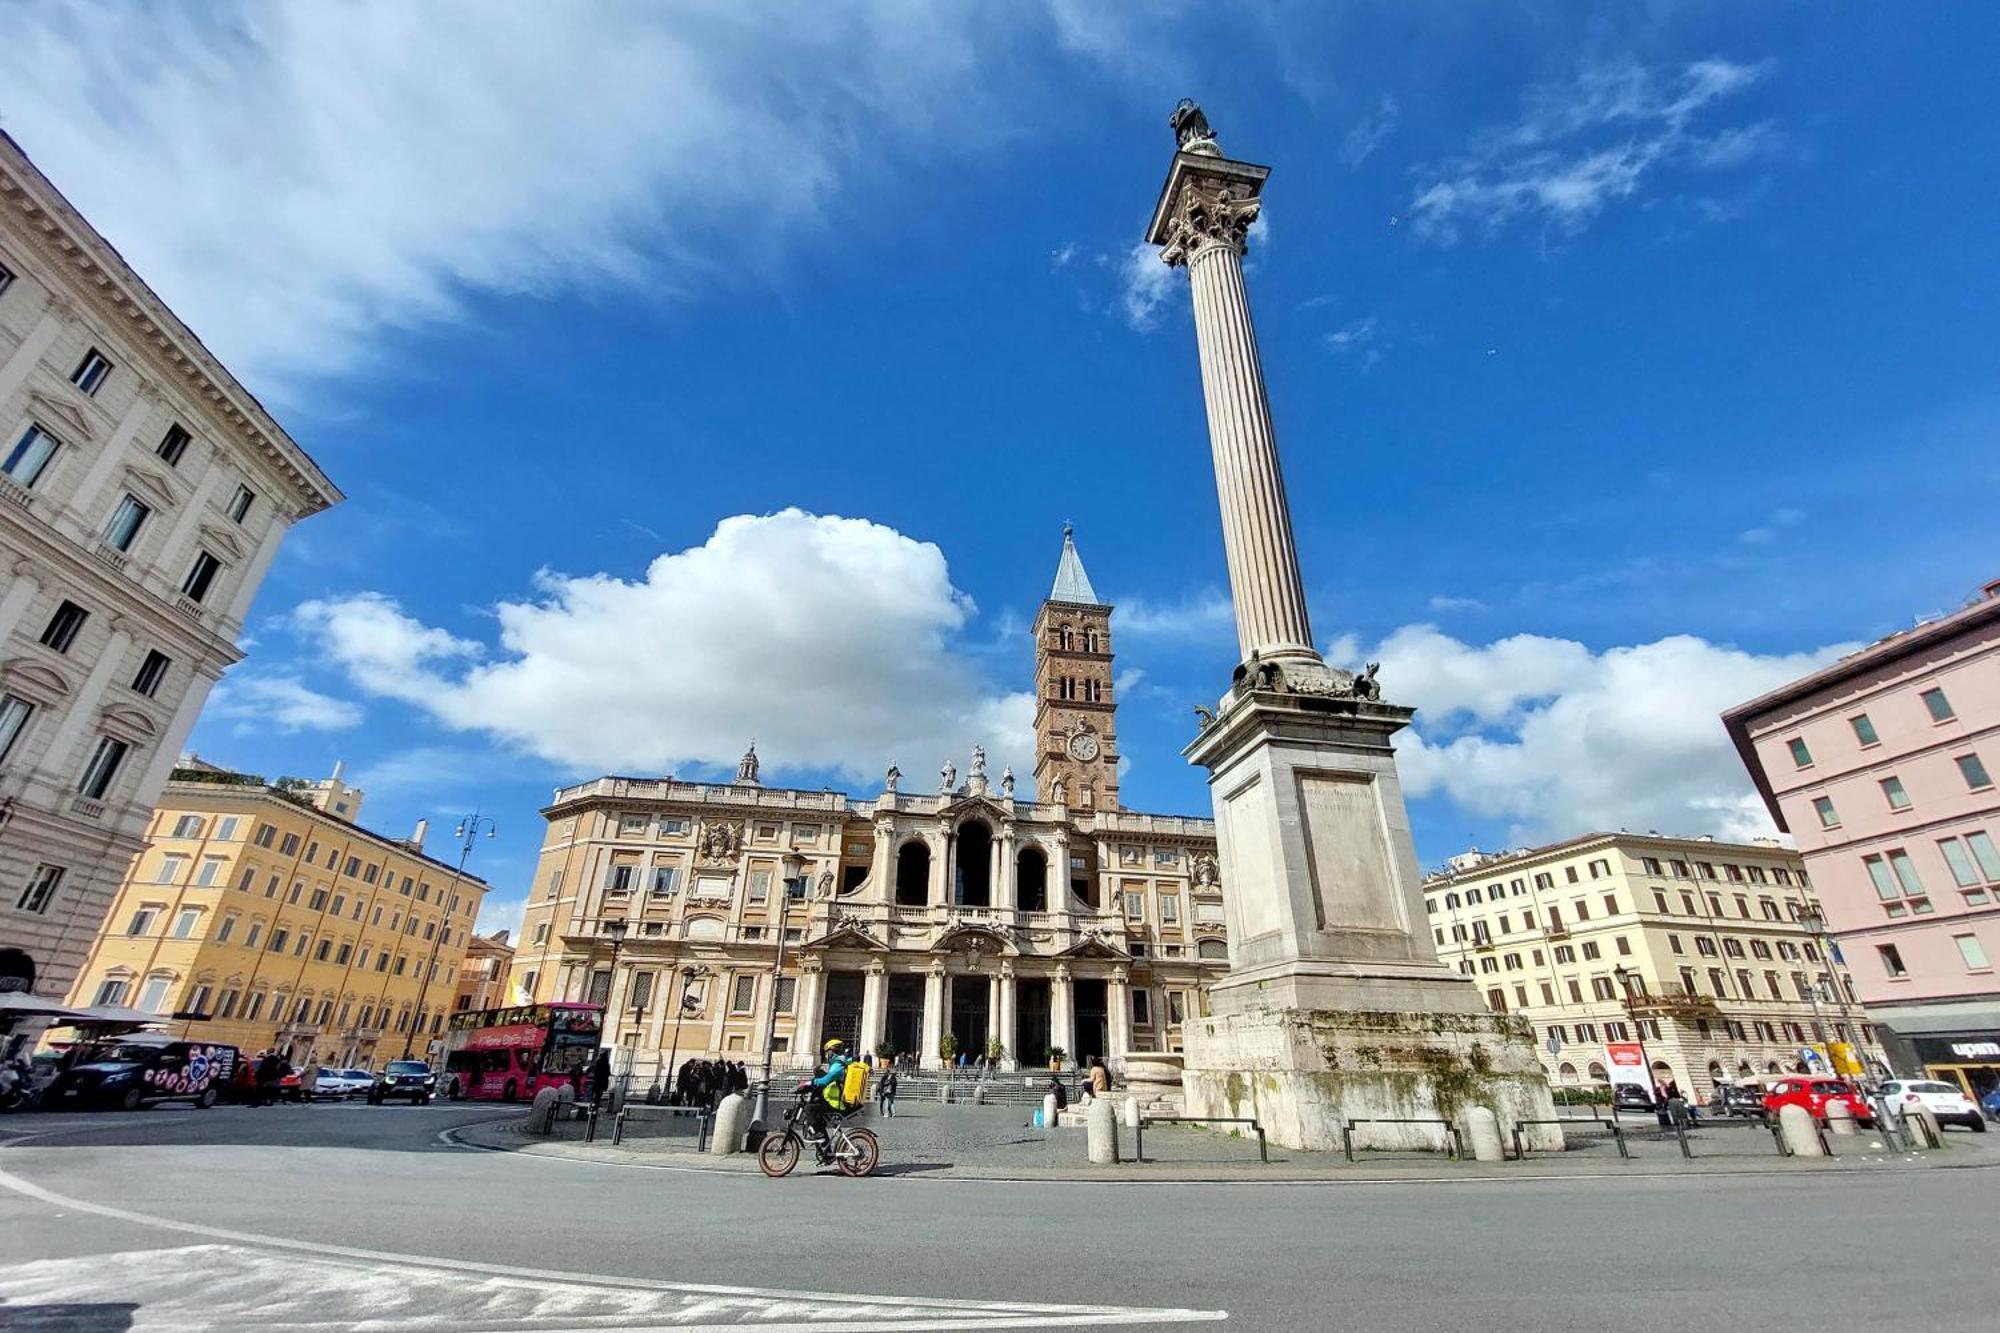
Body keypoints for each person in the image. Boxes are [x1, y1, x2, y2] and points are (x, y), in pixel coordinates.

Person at [802, 1038, 853, 1161]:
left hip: (836, 1103)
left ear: (832, 1052)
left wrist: (810, 1082)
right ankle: (826, 1152)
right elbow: (829, 1079)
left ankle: (818, 1136)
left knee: (809, 1108)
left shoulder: (838, 1065)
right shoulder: (839, 1064)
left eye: (828, 1052)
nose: (827, 1055)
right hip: (832, 1100)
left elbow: (826, 1080)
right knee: (819, 1121)